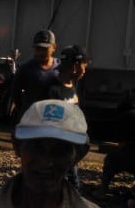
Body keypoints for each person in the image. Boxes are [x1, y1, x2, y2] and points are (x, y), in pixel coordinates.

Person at [0, 99, 98, 208]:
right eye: (36, 147)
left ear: (78, 155)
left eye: (60, 150)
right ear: (17, 147)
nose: (45, 161)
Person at [48, 45, 88, 189]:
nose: (85, 71)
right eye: (84, 66)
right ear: (76, 65)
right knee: (68, 187)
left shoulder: (71, 85)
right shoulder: (54, 89)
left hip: (70, 151)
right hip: (59, 151)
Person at [10, 29, 59, 122]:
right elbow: (15, 94)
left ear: (54, 47)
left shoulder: (61, 68)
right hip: (31, 120)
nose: (40, 52)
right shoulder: (25, 69)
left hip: (53, 121)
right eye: (37, 49)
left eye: (45, 49)